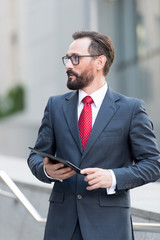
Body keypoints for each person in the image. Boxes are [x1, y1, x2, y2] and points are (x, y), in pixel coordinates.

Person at [28, 31, 160, 240]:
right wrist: (47, 170)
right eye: (67, 58)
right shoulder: (55, 106)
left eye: (75, 58)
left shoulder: (131, 109)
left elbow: (153, 164)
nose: (68, 65)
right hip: (62, 227)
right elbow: (36, 156)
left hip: (110, 227)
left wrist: (113, 177)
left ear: (99, 62)